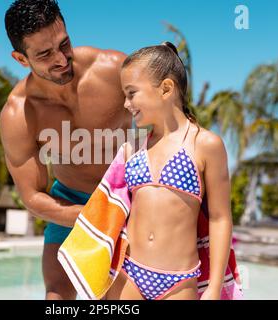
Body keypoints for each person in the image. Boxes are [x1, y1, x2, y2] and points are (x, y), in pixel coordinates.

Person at [0, 0, 131, 300]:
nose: (61, 58)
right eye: (45, 54)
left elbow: (172, 119)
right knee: (56, 296)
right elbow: (32, 197)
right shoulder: (19, 114)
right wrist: (96, 216)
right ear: (21, 59)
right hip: (70, 202)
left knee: (121, 298)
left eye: (64, 44)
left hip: (129, 196)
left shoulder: (113, 70)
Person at [105, 42, 234, 300]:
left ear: (165, 89)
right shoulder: (134, 148)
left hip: (179, 281)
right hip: (129, 273)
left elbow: (220, 218)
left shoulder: (206, 145)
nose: (126, 103)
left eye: (131, 93)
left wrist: (214, 286)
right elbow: (112, 207)